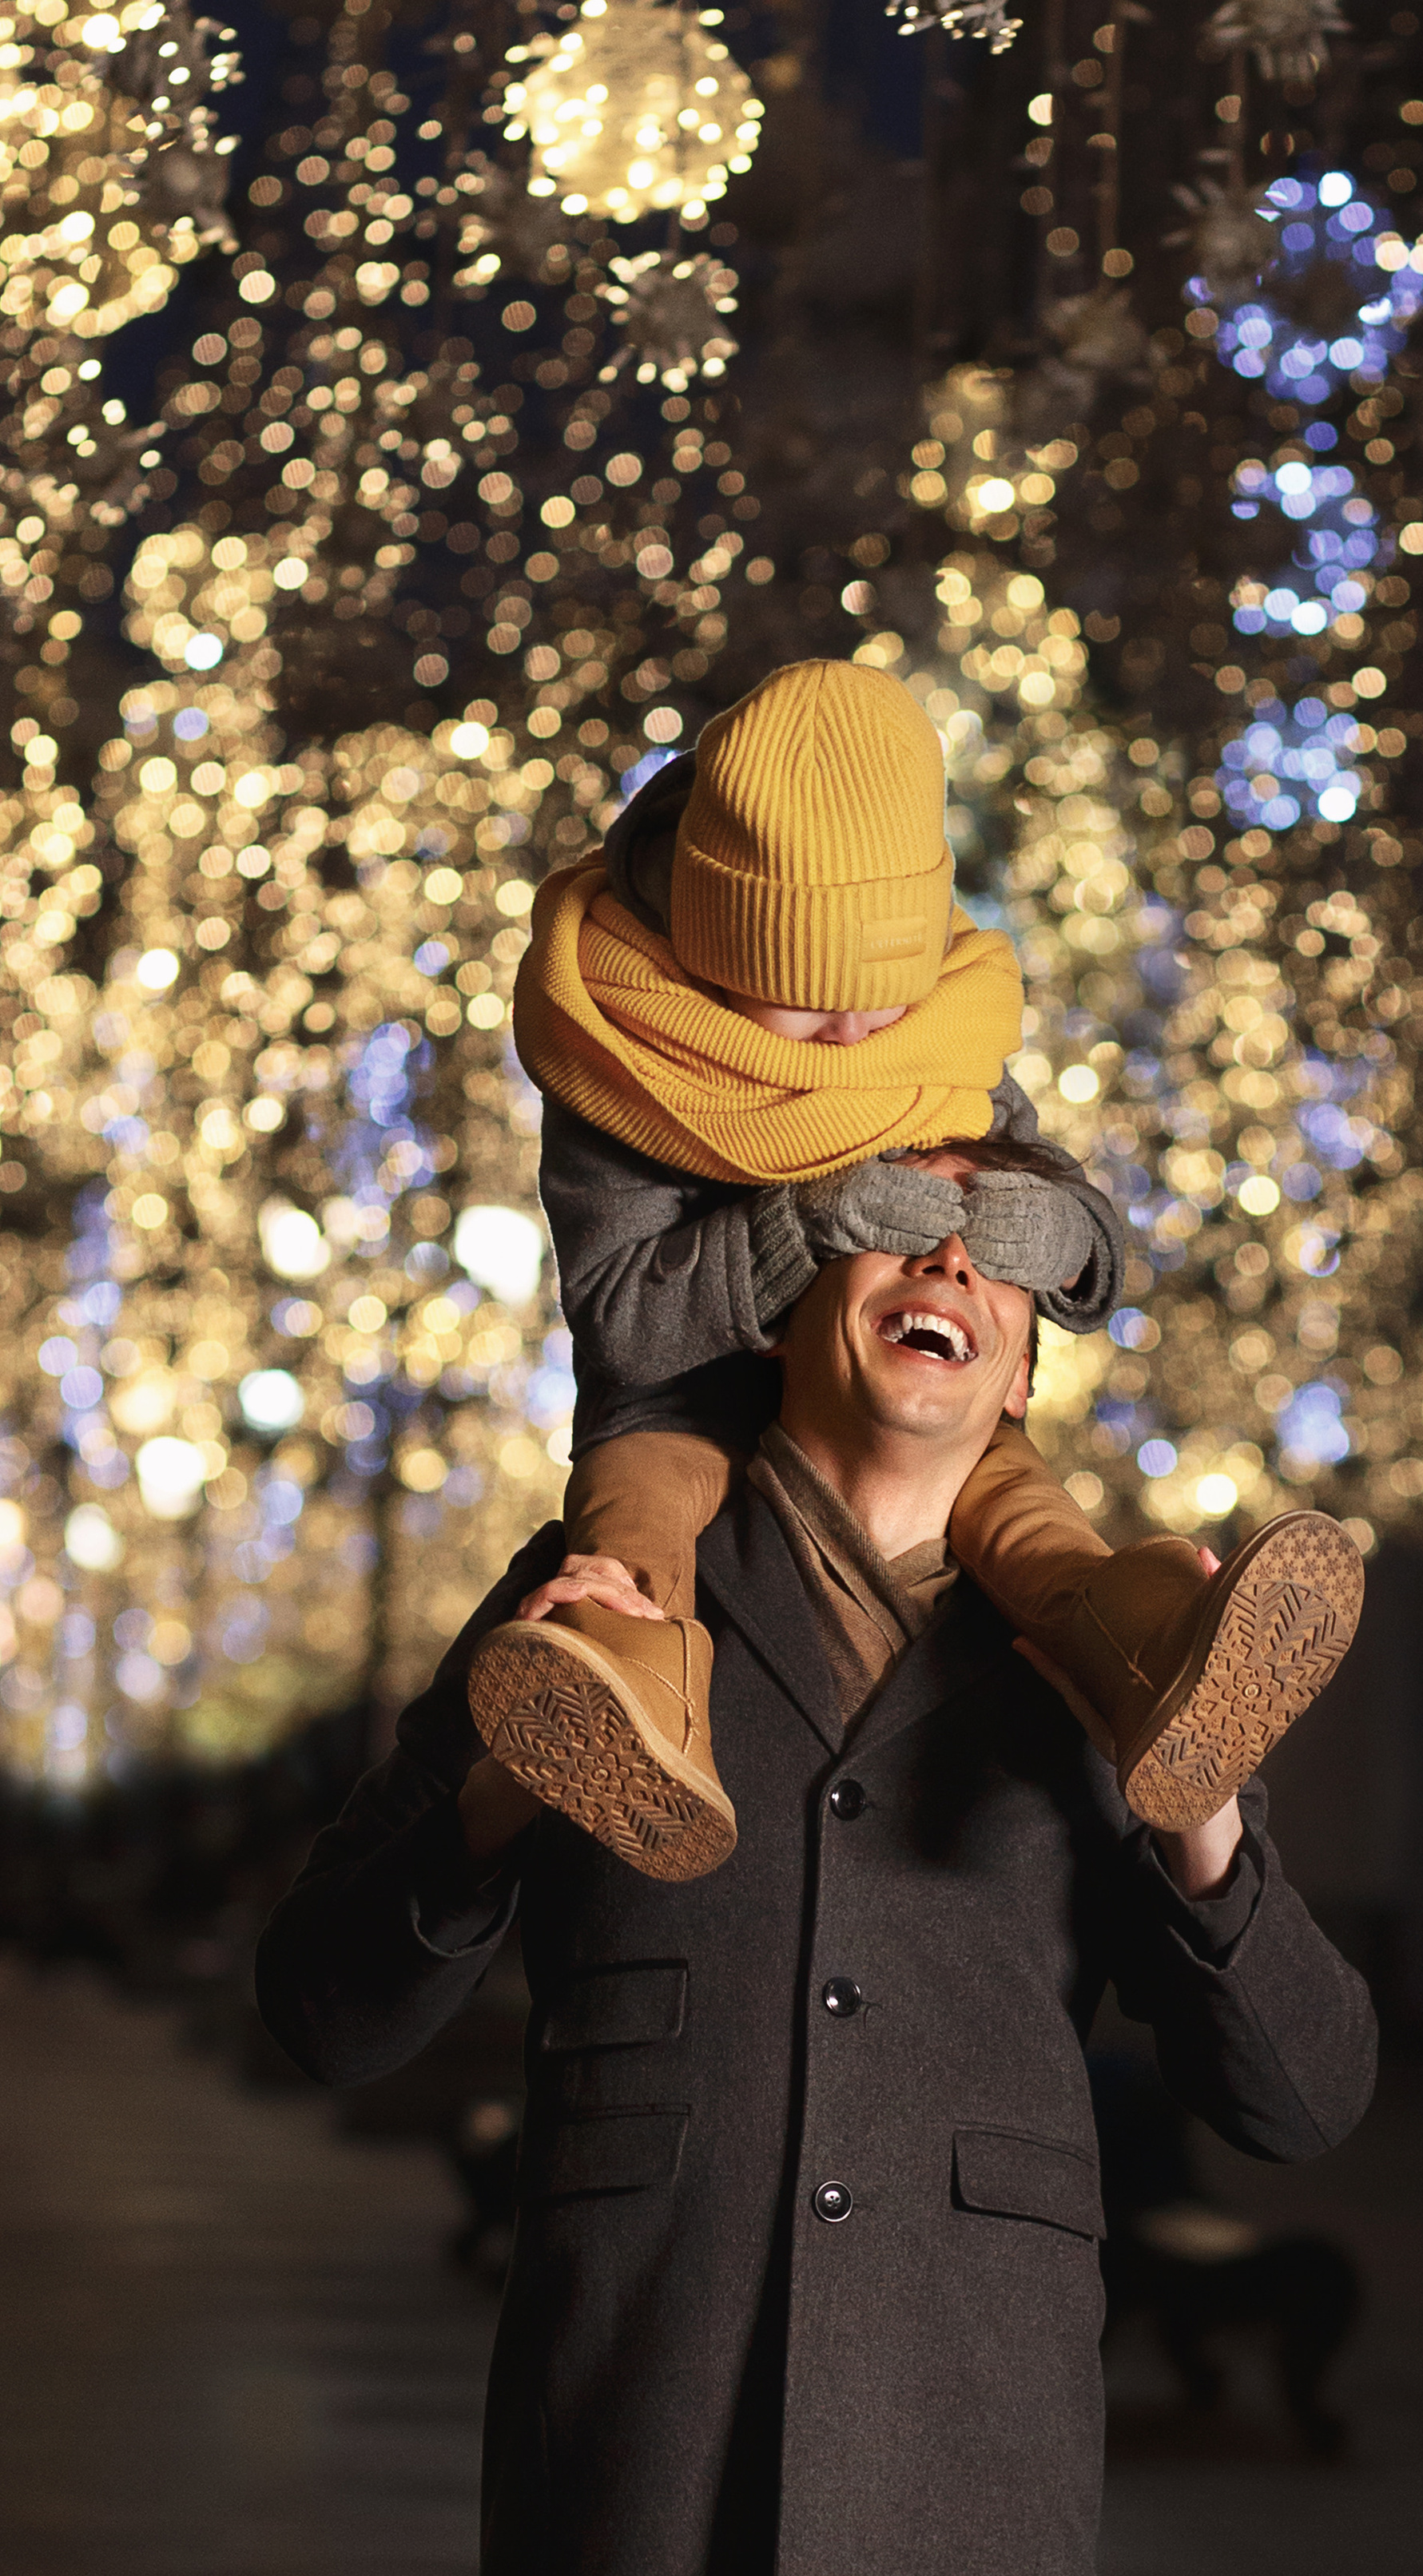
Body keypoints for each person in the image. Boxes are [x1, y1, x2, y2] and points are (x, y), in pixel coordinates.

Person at [256, 1160, 1377, 2576]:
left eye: (1008, 1257)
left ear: (1021, 1359)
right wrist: (506, 1792)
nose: (953, 1261)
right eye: (896, 1220)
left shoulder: (1123, 1658)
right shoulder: (598, 1592)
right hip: (631, 2476)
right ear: (786, 1291)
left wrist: (1195, 1834)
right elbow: (326, 2010)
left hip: (970, 2517)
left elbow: (1301, 2095)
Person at [467, 655, 1364, 1879]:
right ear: (714, 951)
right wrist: (812, 1217)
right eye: (806, 1003)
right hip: (680, 1400)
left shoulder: (934, 1023)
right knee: (632, 1515)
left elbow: (1058, 1199)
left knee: (1025, 1513)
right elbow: (623, 1321)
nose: (851, 1044)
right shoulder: (621, 1052)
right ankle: (629, 1693)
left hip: (887, 1404)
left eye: (877, 1008)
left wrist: (1052, 1234)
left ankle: (1152, 1649)